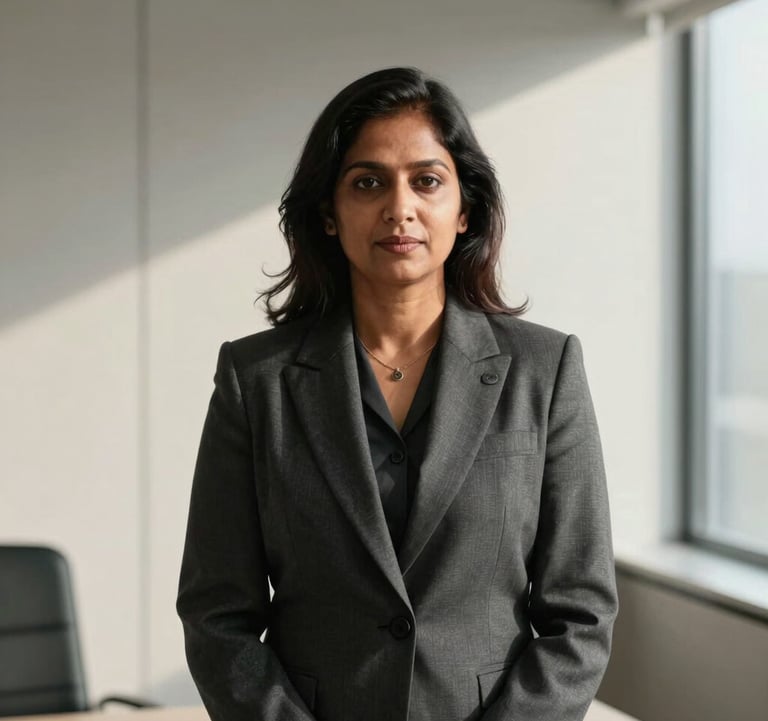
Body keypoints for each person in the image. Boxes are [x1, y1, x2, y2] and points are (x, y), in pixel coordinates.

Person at [177, 66, 618, 721]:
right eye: (367, 182)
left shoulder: (544, 370)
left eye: (427, 180)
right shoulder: (256, 380)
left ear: (463, 208)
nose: (399, 207)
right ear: (329, 212)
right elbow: (218, 614)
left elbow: (580, 610)